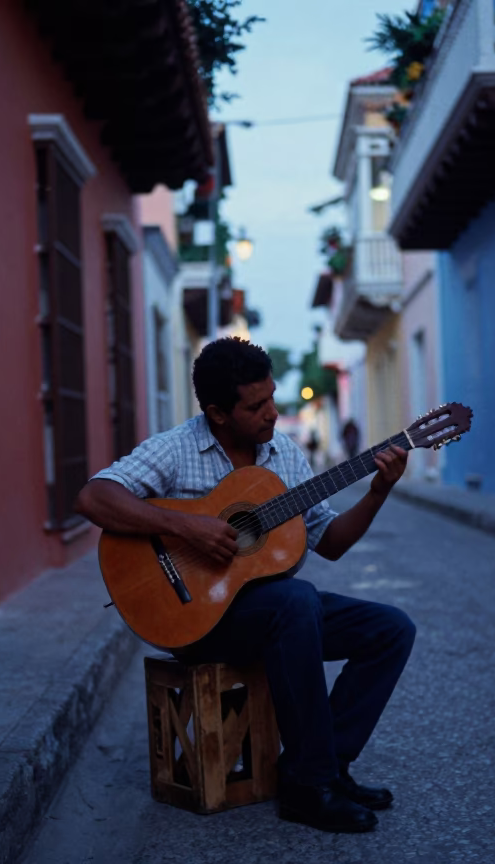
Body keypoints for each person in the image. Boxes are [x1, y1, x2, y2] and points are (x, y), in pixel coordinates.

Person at [75, 337, 415, 834]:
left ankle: (328, 768)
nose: (272, 414)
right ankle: (306, 785)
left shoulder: (284, 457)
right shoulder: (175, 448)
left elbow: (332, 542)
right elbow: (94, 497)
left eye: (272, 398)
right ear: (217, 412)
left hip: (273, 612)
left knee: (390, 628)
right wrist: (185, 526)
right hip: (196, 619)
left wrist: (379, 490)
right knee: (296, 601)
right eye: (256, 406)